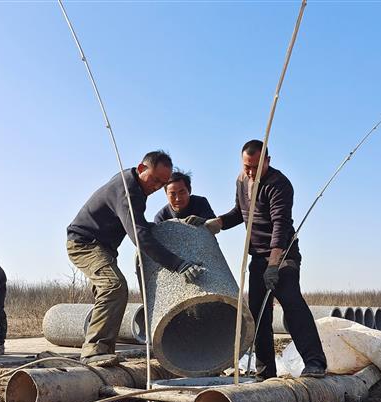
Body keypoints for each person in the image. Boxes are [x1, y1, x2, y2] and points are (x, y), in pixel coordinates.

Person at [205, 140, 327, 379]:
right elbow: (240, 213)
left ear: (267, 162)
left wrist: (274, 265)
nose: (250, 172)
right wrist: (217, 223)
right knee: (258, 315)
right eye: (246, 166)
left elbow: (280, 226)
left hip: (282, 256)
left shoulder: (279, 185)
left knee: (292, 305)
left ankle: (315, 362)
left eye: (255, 167)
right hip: (258, 257)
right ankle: (265, 372)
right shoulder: (241, 181)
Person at [66, 150, 205, 360]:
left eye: (162, 183)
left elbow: (143, 226)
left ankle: (103, 352)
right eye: (155, 179)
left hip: (104, 248)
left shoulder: (136, 187)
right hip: (85, 244)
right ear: (142, 168)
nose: (157, 186)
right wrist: (178, 265)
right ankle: (94, 350)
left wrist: (176, 226)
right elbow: (140, 237)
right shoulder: (127, 191)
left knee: (109, 293)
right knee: (114, 287)